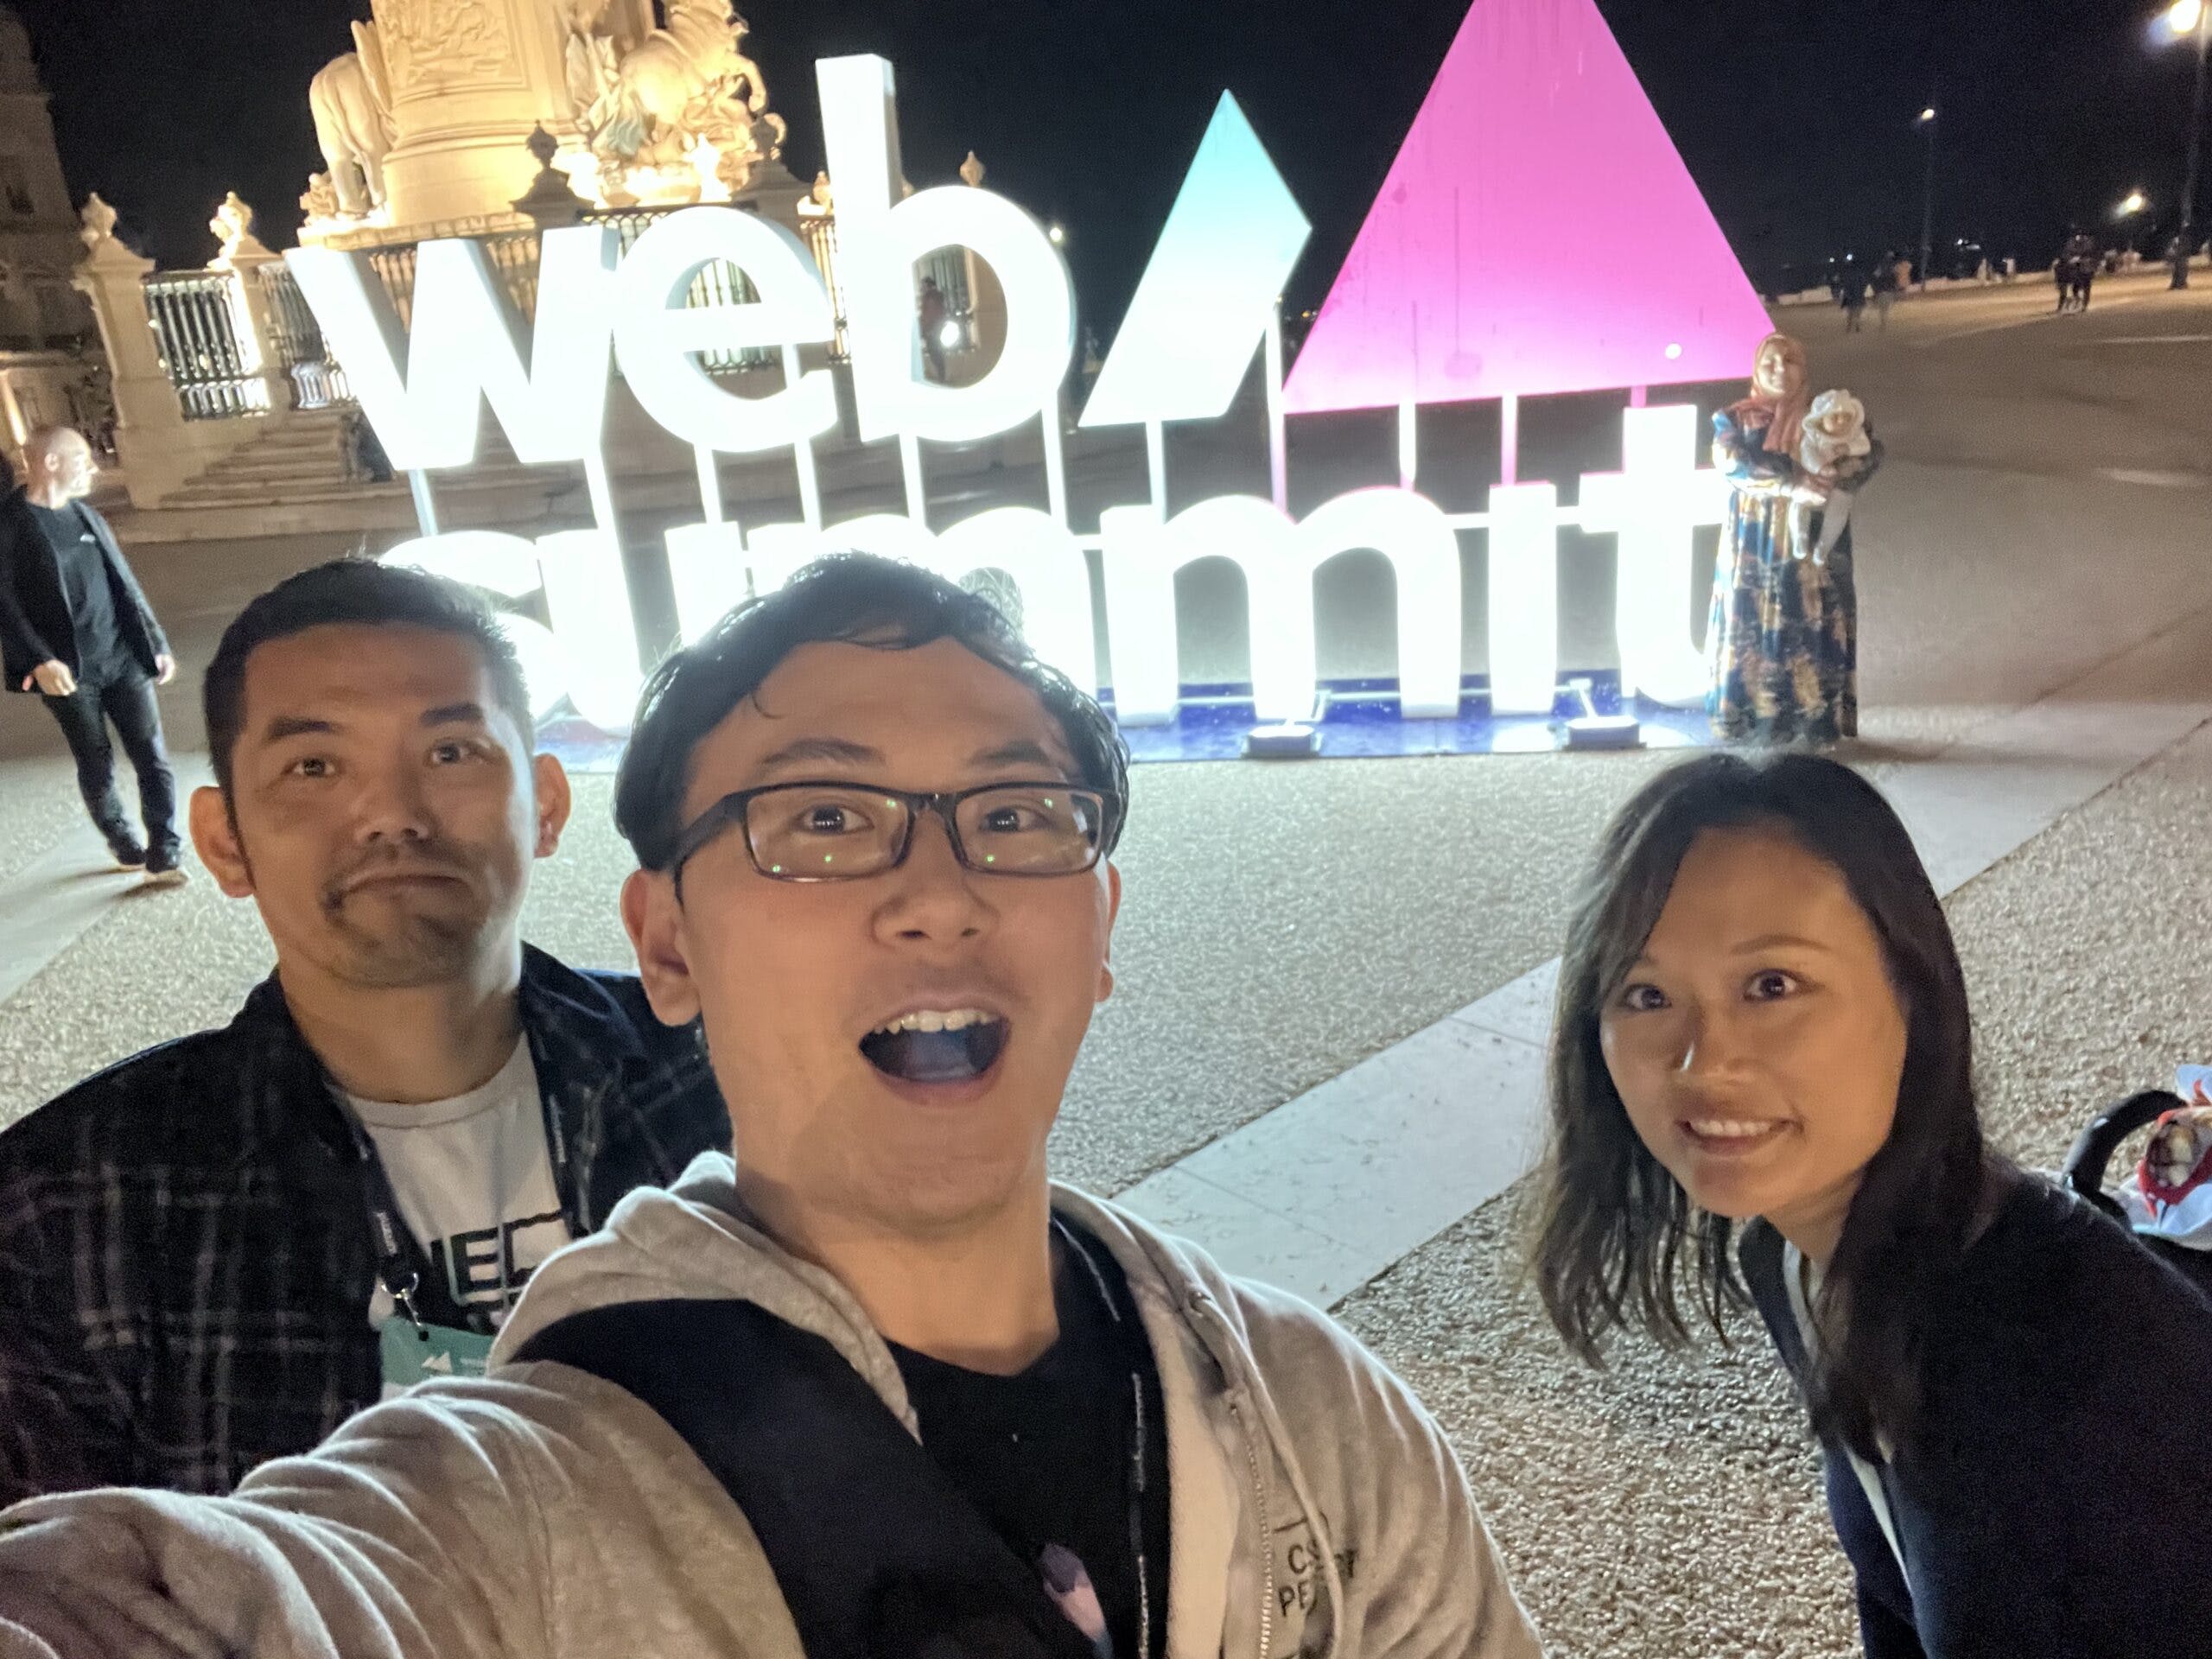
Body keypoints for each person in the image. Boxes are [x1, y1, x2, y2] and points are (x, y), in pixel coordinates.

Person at [0, 555, 1542, 1659]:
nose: (937, 894)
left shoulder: (1317, 1415)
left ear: (1105, 924)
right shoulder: (504, 1477)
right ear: (672, 941)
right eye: (823, 819)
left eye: (1014, 817)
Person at [0, 559, 730, 1503]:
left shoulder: (725, 1072)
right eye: (314, 766)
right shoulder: (65, 1210)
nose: (392, 813)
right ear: (225, 843)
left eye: (452, 753)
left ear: (546, 806)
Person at [1529, 751, 2212, 1656]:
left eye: (1771, 986)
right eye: (1646, 994)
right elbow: (1894, 1592)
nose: (1702, 1062)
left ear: (1913, 994)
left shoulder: (2049, 1367)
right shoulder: (1789, 1258)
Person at [0, 425, 183, 883]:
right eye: (82, 457)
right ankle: (123, 841)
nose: (93, 467)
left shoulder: (86, 517)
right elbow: (5, 602)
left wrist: (155, 642)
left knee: (152, 756)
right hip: (67, 671)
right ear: (51, 462)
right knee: (95, 760)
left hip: (121, 657)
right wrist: (39, 659)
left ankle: (166, 849)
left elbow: (125, 585)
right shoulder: (11, 523)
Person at [1707, 333, 1881, 747]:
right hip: (1757, 538)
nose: (1781, 369)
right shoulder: (1734, 418)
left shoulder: (1824, 414)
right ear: (1756, 368)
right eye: (1771, 361)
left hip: (1818, 537)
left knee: (1815, 614)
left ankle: (1813, 716)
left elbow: (1870, 451)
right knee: (1756, 615)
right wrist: (1792, 483)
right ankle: (1754, 715)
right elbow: (1730, 462)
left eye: (1791, 361)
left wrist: (1842, 474)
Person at [918, 274, 950, 384]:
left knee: (935, 354)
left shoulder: (931, 297)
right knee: (936, 353)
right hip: (934, 330)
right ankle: (941, 377)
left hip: (932, 330)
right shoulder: (933, 296)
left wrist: (927, 329)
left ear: (928, 285)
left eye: (922, 285)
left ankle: (941, 378)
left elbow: (930, 315)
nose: (921, 288)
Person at [1870, 257, 1898, 330]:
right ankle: (1884, 322)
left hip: (1881, 292)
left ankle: (1883, 322)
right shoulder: (1891, 271)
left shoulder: (1879, 271)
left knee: (1882, 310)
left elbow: (1874, 280)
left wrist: (1875, 290)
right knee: (1886, 309)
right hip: (1889, 292)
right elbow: (1894, 282)